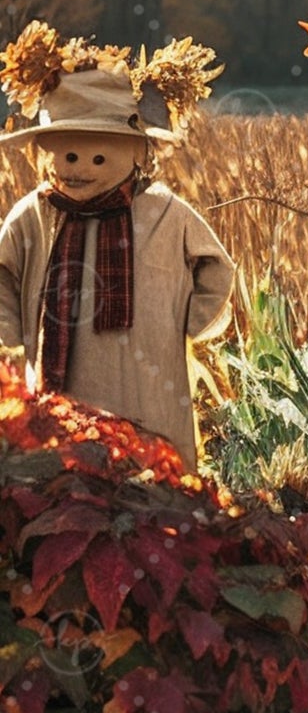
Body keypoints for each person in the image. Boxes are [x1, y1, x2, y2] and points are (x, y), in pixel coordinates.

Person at [0, 25, 233, 469]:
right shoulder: (35, 215)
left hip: (151, 385)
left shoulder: (165, 213)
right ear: (48, 151)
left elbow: (216, 268)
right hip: (60, 386)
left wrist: (186, 319)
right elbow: (2, 271)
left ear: (136, 152)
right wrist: (11, 330)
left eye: (99, 158)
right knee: (66, 475)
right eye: (69, 156)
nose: (81, 168)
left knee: (153, 477)